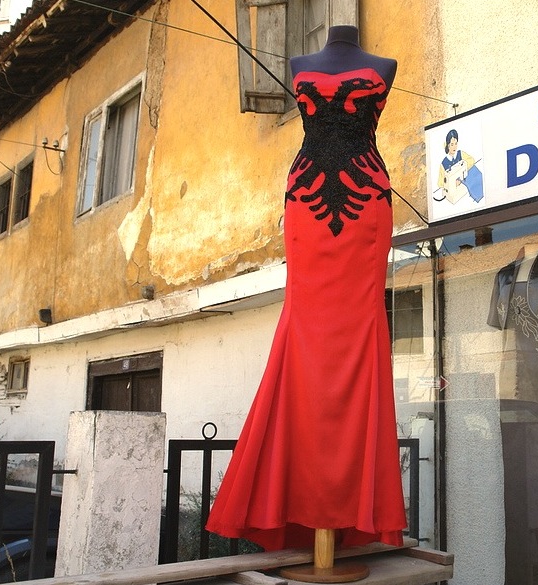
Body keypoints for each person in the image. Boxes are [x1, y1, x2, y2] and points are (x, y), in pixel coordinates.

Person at [205, 25, 406, 552]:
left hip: (366, 203)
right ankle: (301, 501)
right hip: (308, 204)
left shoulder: (385, 65)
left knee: (362, 330)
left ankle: (345, 507)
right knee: (302, 335)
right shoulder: (298, 63)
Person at [436, 129, 484, 203]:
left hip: (464, 184)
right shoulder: (443, 164)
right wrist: (452, 184)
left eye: (456, 144)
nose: (454, 147)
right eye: (452, 144)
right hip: (454, 192)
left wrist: (462, 172)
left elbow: (472, 160)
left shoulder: (461, 154)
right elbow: (440, 183)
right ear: (448, 145)